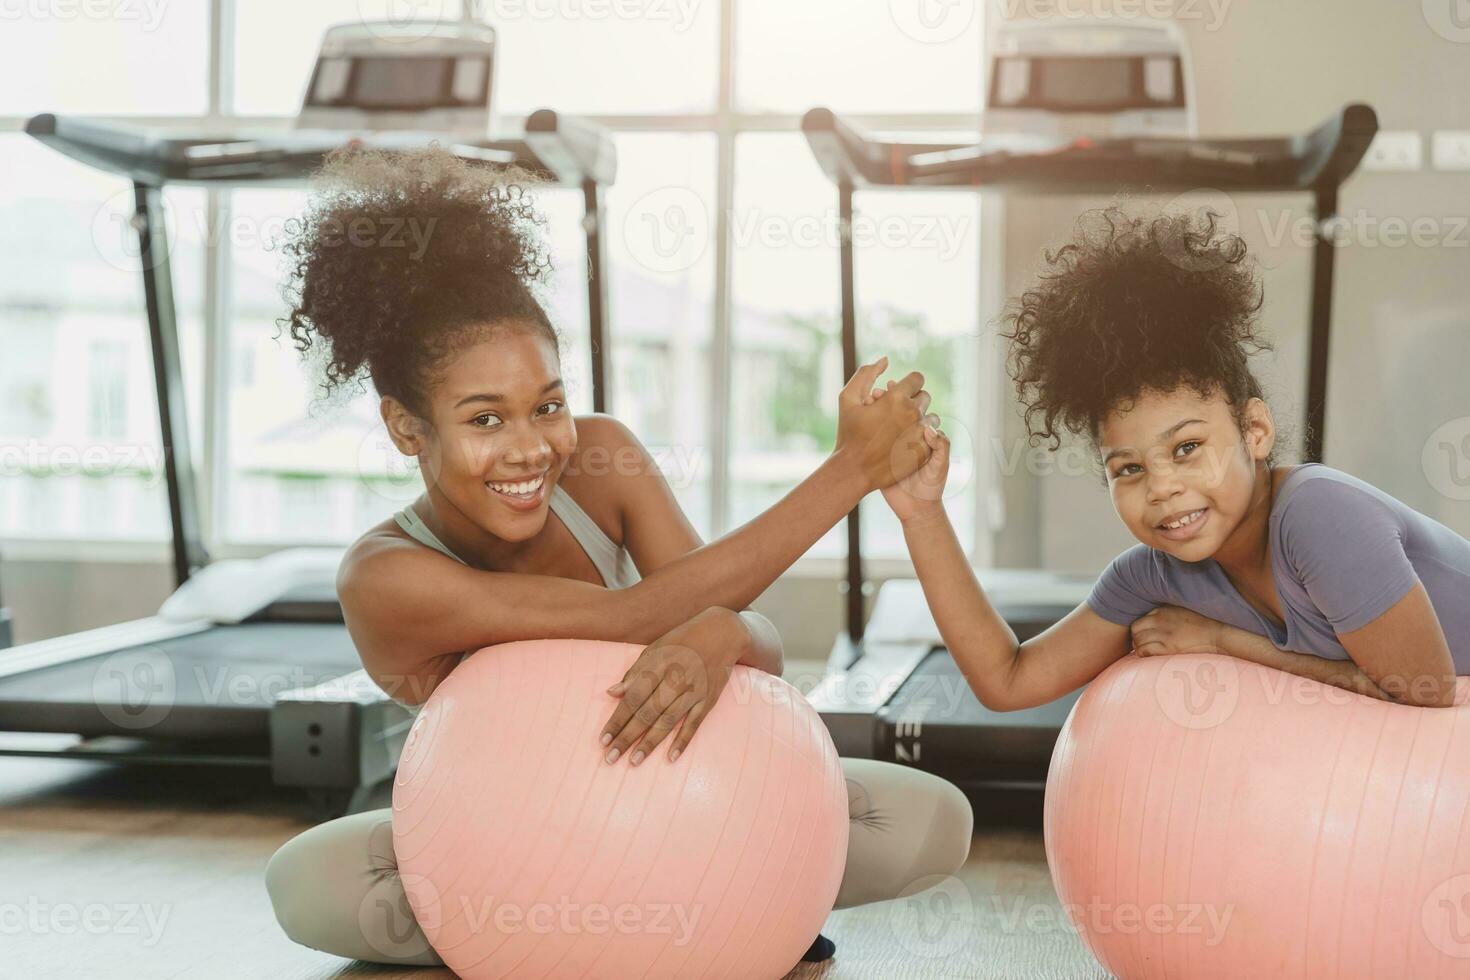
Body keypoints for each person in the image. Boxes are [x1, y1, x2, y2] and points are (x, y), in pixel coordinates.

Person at [263, 145, 974, 969]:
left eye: (548, 405)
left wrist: (728, 638)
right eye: (485, 420)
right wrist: (848, 472)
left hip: (693, 802)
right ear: (405, 427)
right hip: (502, 842)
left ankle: (714, 896)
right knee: (309, 885)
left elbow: (763, 653)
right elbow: (627, 618)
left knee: (931, 821)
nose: (531, 449)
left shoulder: (599, 460)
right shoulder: (383, 573)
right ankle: (631, 916)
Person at [874, 206, 1470, 715]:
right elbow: (1008, 681)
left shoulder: (1319, 515)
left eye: (1187, 448)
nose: (1161, 487)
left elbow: (1425, 695)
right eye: (1129, 469)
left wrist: (1225, 642)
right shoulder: (1152, 573)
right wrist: (922, 513)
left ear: (1254, 429)